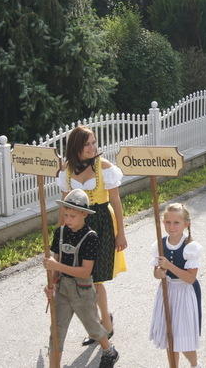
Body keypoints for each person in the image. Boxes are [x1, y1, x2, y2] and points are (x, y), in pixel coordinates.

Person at [57, 126, 127, 346]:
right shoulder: (66, 170)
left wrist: (121, 233)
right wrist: (61, 233)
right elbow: (63, 205)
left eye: (94, 143)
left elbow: (116, 201)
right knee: (82, 280)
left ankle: (105, 325)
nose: (92, 148)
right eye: (87, 144)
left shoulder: (104, 168)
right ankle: (98, 324)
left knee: (96, 278)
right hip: (76, 227)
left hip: (101, 224)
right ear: (76, 146)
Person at [43, 189, 120, 368]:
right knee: (56, 333)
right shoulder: (60, 233)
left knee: (93, 328)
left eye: (72, 216)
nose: (67, 220)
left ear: (84, 214)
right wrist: (51, 284)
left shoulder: (91, 237)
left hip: (82, 289)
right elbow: (57, 259)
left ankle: (109, 351)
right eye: (66, 215)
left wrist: (56, 266)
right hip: (62, 289)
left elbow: (86, 272)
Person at [150, 203, 202, 368]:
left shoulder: (190, 247)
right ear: (163, 223)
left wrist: (169, 266)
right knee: (169, 336)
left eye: (176, 223)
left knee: (183, 336)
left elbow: (190, 278)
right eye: (168, 222)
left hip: (185, 292)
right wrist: (159, 272)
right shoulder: (159, 244)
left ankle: (195, 365)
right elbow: (156, 273)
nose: (171, 227)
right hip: (168, 290)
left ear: (186, 224)